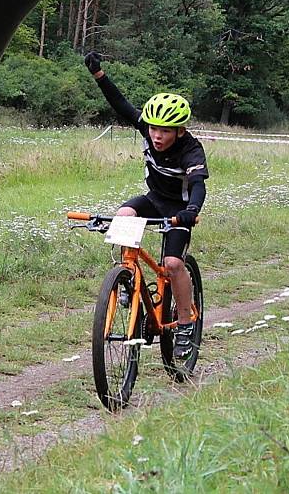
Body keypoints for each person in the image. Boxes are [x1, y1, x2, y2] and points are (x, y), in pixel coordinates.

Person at [84, 51, 209, 360]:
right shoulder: (147, 130)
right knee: (124, 215)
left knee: (172, 265)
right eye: (153, 128)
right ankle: (126, 278)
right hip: (153, 200)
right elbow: (121, 105)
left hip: (178, 209)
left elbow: (197, 186)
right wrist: (99, 74)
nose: (157, 135)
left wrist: (191, 212)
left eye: (165, 131)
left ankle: (184, 323)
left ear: (179, 131)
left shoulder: (191, 151)